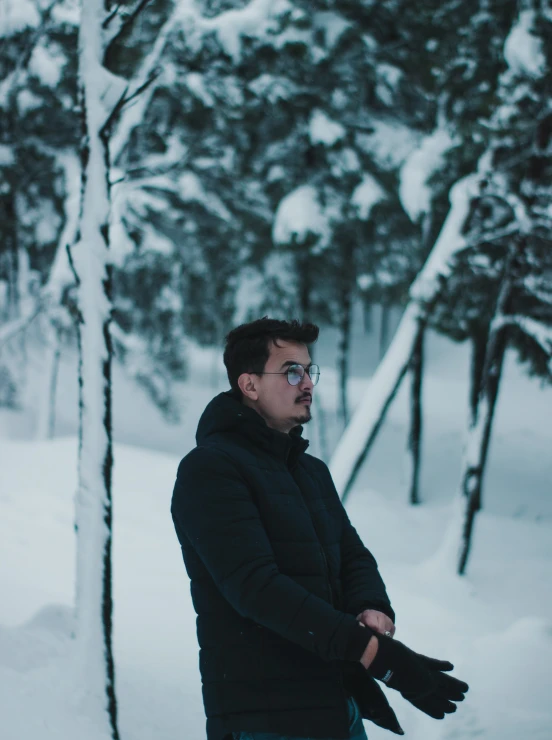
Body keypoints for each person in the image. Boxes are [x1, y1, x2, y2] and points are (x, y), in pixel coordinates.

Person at [171, 318, 468, 740]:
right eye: (292, 371)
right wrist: (373, 653)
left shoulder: (310, 471)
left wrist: (371, 605)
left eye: (310, 370)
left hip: (336, 708)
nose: (307, 382)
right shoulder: (211, 469)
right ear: (249, 384)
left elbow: (351, 554)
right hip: (265, 719)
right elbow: (256, 589)